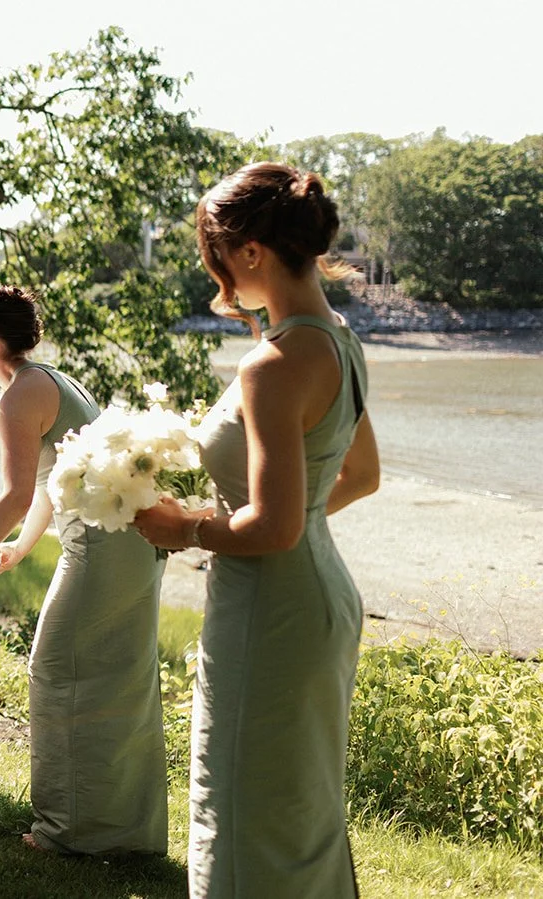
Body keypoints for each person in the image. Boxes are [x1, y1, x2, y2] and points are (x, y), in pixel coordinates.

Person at [134, 162, 379, 898]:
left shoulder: (271, 365)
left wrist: (188, 528)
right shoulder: (339, 339)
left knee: (240, 807)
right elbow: (359, 476)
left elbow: (271, 529)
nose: (220, 284)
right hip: (323, 596)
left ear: (250, 253)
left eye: (217, 262)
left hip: (271, 610)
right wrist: (283, 519)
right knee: (298, 810)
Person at [0, 285, 167, 856]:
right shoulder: (47, 379)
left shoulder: (19, 396)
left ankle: (69, 832)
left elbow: (15, 495)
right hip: (122, 548)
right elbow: (56, 485)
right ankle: (116, 832)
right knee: (112, 682)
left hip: (105, 553)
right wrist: (24, 548)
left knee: (57, 672)